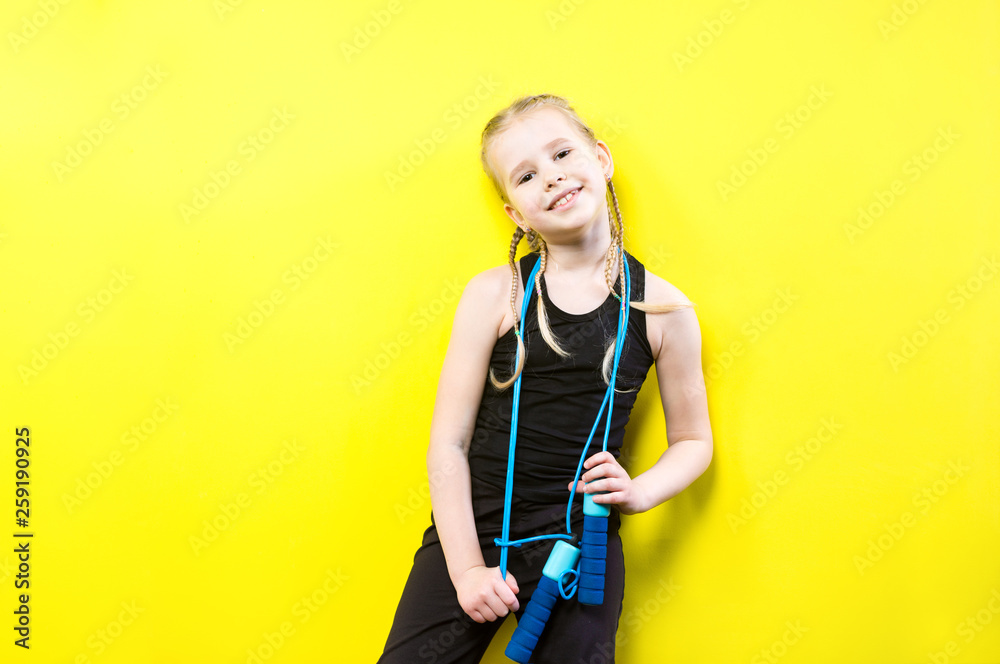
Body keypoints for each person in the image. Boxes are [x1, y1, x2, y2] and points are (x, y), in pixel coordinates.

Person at [377, 93, 713, 663]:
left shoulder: (664, 310)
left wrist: (639, 492)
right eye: (527, 175)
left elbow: (693, 441)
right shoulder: (495, 294)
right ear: (515, 211)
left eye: (562, 154)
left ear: (601, 158)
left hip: (585, 543)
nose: (552, 178)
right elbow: (449, 444)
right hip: (472, 529)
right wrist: (464, 571)